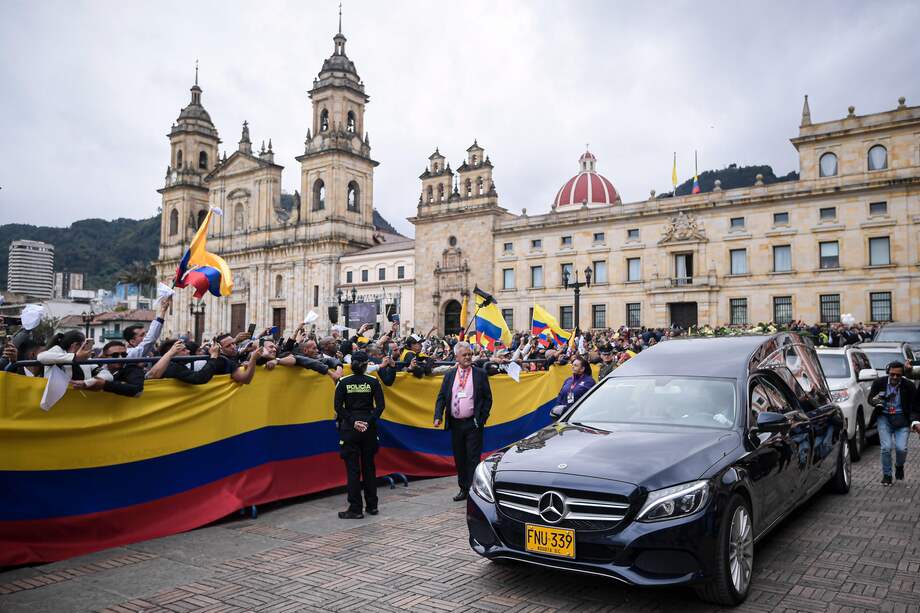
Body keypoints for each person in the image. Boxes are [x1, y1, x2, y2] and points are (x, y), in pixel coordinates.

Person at [433, 341, 493, 501]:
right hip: (455, 423)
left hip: (473, 423)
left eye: (469, 354)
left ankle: (475, 490)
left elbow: (488, 398)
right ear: (457, 357)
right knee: (459, 457)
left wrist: (482, 418)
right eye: (464, 355)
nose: (467, 357)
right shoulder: (450, 375)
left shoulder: (480, 374)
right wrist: (438, 415)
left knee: (473, 457)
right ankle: (463, 489)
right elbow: (441, 397)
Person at [333, 350, 385, 519]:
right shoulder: (373, 381)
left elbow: (338, 407)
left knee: (353, 470)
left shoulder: (343, 382)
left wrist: (353, 421)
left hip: (350, 429)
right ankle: (372, 505)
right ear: (366, 365)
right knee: (369, 467)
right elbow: (380, 406)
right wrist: (368, 421)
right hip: (368, 429)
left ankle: (355, 509)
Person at [868, 361, 920, 486]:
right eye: (892, 375)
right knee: (886, 448)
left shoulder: (909, 386)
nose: (895, 377)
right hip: (884, 418)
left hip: (902, 420)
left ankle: (899, 465)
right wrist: (876, 402)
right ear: (888, 373)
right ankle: (887, 475)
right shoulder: (879, 383)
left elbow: (915, 405)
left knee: (901, 449)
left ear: (902, 375)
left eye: (898, 375)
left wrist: (915, 421)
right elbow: (870, 398)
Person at [71, 340, 145, 397]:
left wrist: (105, 385)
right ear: (104, 356)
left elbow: (137, 390)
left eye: (123, 354)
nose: (120, 358)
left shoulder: (132, 369)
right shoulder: (95, 366)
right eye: (115, 355)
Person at [146, 339, 221, 384]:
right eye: (183, 350)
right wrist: (213, 356)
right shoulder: (172, 367)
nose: (188, 351)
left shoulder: (173, 364)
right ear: (173, 353)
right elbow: (199, 378)